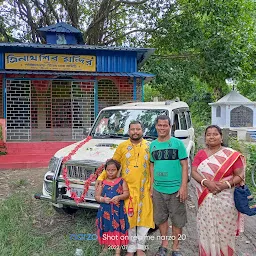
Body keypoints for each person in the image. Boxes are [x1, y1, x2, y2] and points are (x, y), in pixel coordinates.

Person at [96, 121, 154, 256]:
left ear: (142, 131)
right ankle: (130, 248)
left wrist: (153, 186)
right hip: (127, 190)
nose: (135, 132)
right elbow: (112, 164)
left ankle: (140, 247)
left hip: (144, 188)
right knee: (129, 218)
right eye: (132, 129)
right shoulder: (122, 147)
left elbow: (154, 166)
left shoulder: (149, 146)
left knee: (145, 218)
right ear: (129, 131)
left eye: (138, 129)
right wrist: (100, 178)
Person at [191, 125, 245, 256]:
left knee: (225, 230)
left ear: (221, 137)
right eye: (208, 134)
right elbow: (193, 171)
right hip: (205, 198)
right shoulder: (200, 154)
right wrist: (206, 182)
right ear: (205, 138)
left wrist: (225, 185)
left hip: (226, 199)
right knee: (205, 229)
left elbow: (240, 175)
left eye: (215, 134)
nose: (211, 136)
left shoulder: (231, 155)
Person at [150, 115, 188, 256]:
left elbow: (185, 165)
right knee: (161, 218)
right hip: (158, 189)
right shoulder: (152, 145)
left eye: (165, 125)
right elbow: (152, 166)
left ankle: (176, 248)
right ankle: (164, 245)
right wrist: (151, 186)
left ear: (170, 126)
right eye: (160, 125)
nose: (162, 128)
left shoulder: (178, 144)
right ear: (156, 126)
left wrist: (183, 186)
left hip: (176, 189)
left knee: (177, 219)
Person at [95, 159, 130, 256]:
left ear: (118, 170)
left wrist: (119, 197)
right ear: (105, 170)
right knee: (106, 227)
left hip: (117, 211)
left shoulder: (121, 181)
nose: (110, 172)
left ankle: (117, 251)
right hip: (105, 211)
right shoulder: (103, 183)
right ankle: (106, 247)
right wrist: (102, 199)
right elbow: (96, 196)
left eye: (113, 170)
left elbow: (126, 193)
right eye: (108, 170)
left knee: (117, 228)